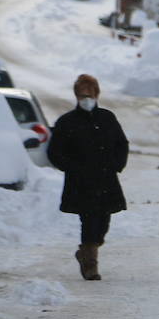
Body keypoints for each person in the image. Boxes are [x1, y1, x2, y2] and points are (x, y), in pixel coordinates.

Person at [48, 73, 129, 281]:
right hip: (81, 184)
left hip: (106, 180)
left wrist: (116, 165)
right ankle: (91, 265)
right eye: (83, 96)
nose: (87, 100)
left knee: (103, 222)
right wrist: (72, 168)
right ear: (76, 97)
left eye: (90, 95)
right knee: (89, 221)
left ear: (97, 95)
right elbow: (55, 152)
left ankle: (86, 250)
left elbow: (122, 143)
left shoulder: (107, 118)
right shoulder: (67, 122)